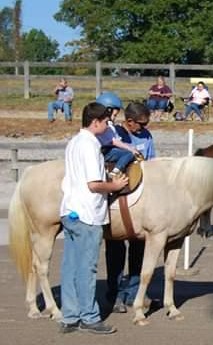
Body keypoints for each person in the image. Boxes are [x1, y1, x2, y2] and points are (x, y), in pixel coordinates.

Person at [58, 102, 129, 334]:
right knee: (87, 268)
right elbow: (94, 185)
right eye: (106, 122)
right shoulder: (89, 146)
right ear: (96, 122)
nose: (108, 125)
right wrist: (115, 185)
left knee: (70, 266)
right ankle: (89, 317)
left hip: (69, 210)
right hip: (87, 213)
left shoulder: (74, 142)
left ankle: (70, 316)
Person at [105, 102, 156, 313]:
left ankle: (134, 291)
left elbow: (152, 163)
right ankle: (114, 292)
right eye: (141, 124)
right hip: (117, 194)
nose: (144, 128)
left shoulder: (147, 136)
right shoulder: (114, 134)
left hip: (141, 198)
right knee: (115, 249)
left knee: (139, 248)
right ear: (129, 121)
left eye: (146, 123)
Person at [95, 92, 140, 178]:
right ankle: (116, 171)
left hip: (105, 150)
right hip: (105, 151)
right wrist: (131, 149)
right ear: (108, 110)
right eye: (114, 115)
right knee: (128, 154)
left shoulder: (99, 124)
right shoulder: (107, 125)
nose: (115, 118)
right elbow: (115, 141)